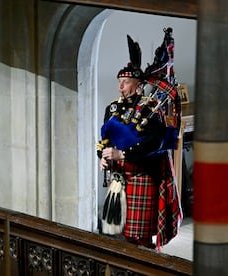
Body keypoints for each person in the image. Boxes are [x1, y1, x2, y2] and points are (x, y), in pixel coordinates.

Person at [97, 32, 182, 250]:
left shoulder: (150, 109)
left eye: (125, 82)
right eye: (119, 82)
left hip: (142, 176)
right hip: (119, 178)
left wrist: (123, 154)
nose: (120, 87)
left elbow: (154, 143)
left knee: (140, 237)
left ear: (137, 85)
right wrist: (103, 157)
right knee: (119, 230)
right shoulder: (112, 108)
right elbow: (105, 138)